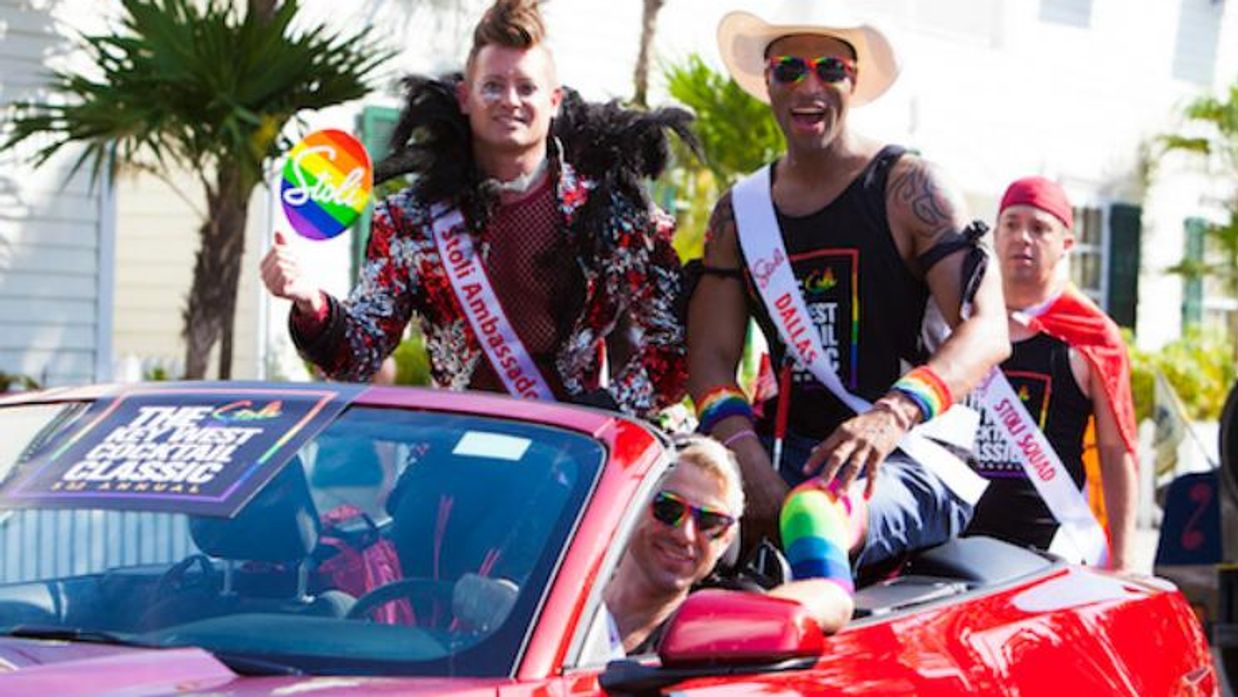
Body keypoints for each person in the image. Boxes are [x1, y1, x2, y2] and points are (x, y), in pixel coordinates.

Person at [687, 0, 1010, 606]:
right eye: (789, 69)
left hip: (913, 453)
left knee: (812, 510)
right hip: (782, 452)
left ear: (853, 81)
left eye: (830, 69)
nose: (809, 87)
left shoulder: (910, 187)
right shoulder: (739, 212)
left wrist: (890, 416)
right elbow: (709, 359)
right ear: (768, 83)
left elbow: (989, 330)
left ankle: (817, 620)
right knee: (668, 502)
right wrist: (746, 461)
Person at [260, 0, 690, 418]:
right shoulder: (412, 220)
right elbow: (356, 356)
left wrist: (603, 415)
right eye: (493, 86)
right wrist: (311, 304)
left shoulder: (609, 214)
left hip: (574, 456)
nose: (510, 100)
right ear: (465, 97)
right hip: (455, 454)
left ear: (555, 101)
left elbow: (673, 347)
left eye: (527, 87)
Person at [965, 176, 1138, 569]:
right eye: (1011, 224)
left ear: (1066, 244)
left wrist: (1123, 561)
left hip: (1052, 548)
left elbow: (1116, 449)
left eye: (1039, 228)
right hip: (956, 540)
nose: (1022, 238)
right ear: (996, 235)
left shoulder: (1092, 336)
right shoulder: (962, 318)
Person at [603, 436, 850, 655]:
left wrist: (736, 620)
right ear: (632, 505)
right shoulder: (578, 580)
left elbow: (835, 599)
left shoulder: (713, 625)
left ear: (726, 540)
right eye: (669, 508)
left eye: (710, 522)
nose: (685, 535)